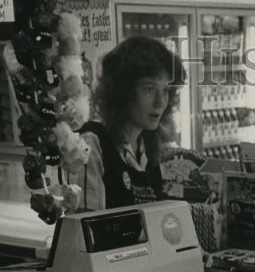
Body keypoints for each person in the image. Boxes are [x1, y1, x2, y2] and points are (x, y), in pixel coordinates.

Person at [78, 36, 185, 210]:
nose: (159, 102)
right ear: (123, 92)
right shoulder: (92, 143)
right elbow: (87, 227)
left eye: (165, 90)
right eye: (149, 89)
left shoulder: (148, 148)